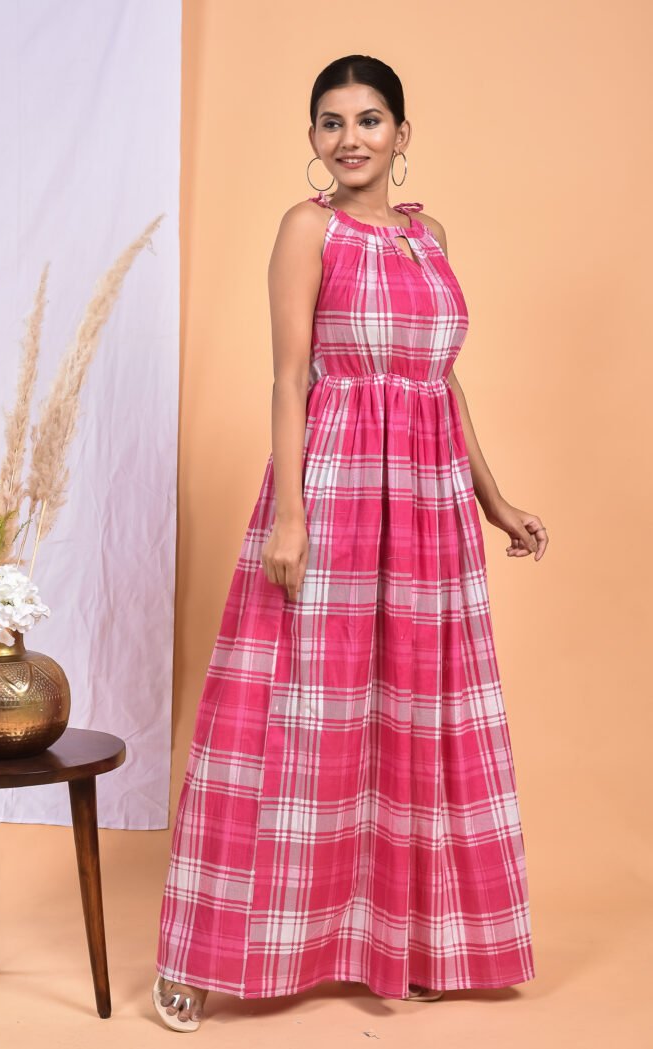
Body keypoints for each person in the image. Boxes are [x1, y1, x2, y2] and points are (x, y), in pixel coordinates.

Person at [152, 53, 547, 1032]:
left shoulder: (429, 237)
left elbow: (440, 381)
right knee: (283, 717)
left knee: (411, 716)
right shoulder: (307, 229)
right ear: (314, 140)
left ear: (402, 136)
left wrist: (493, 498)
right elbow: (290, 379)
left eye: (370, 120)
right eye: (330, 122)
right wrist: (289, 512)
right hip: (333, 485)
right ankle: (197, 959)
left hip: (428, 504)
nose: (350, 137)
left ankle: (395, 944)